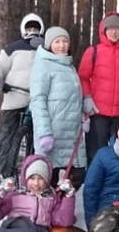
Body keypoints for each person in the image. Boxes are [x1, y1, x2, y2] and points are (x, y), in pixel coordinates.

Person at [0, 12, 44, 181]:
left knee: (37, 140)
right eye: (29, 28)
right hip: (14, 97)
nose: (32, 31)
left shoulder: (45, 49)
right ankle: (3, 174)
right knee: (7, 137)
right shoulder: (13, 48)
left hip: (38, 101)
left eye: (35, 28)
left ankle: (34, 175)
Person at [29, 26, 87, 187]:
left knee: (74, 179)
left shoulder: (69, 66)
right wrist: (44, 133)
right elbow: (37, 101)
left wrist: (83, 116)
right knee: (49, 180)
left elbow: (73, 98)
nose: (62, 45)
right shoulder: (42, 66)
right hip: (52, 135)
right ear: (49, 45)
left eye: (65, 41)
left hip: (71, 135)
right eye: (57, 42)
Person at [78, 11, 119, 164]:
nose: (114, 32)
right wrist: (87, 98)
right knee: (96, 152)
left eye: (117, 29)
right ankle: (95, 176)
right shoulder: (93, 51)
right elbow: (83, 77)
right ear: (104, 31)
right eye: (110, 29)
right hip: (98, 112)